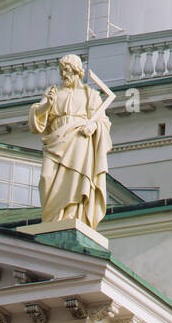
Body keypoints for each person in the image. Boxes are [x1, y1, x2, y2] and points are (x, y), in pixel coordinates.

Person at [28, 54, 113, 231]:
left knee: (76, 178)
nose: (63, 75)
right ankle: (51, 220)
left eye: (66, 70)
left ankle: (73, 215)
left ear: (76, 71)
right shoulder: (53, 91)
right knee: (46, 177)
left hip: (79, 140)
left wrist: (94, 126)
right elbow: (36, 121)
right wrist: (47, 104)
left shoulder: (91, 95)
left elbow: (103, 122)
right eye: (62, 71)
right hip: (54, 141)